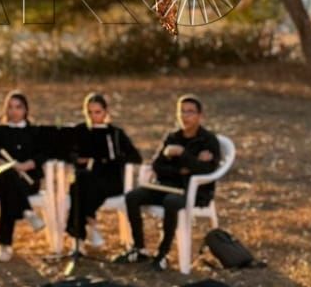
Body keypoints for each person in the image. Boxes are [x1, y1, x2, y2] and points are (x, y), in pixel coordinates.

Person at [118, 95, 221, 271]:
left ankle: (162, 253)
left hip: (193, 192)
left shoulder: (208, 140)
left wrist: (182, 154)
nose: (185, 116)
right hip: (165, 186)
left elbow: (207, 171)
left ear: (200, 116)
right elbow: (157, 166)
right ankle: (139, 248)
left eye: (190, 112)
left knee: (170, 202)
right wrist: (181, 166)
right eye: (182, 111)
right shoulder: (172, 136)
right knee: (132, 197)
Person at [66, 92, 141, 268]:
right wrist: (78, 159)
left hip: (112, 180)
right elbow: (68, 154)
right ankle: (88, 226)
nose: (94, 116)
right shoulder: (80, 131)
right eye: (90, 112)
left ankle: (83, 231)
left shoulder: (115, 133)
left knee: (81, 186)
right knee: (79, 182)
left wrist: (114, 157)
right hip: (89, 177)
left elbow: (135, 157)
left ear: (106, 112)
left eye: (97, 112)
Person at [0, 90, 43, 262]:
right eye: (10, 107)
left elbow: (43, 155)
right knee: (8, 175)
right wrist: (4, 163)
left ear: (26, 109)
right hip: (1, 179)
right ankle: (27, 210)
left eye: (18, 107)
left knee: (8, 193)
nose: (14, 111)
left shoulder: (35, 131)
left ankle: (4, 244)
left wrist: (27, 164)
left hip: (28, 181)